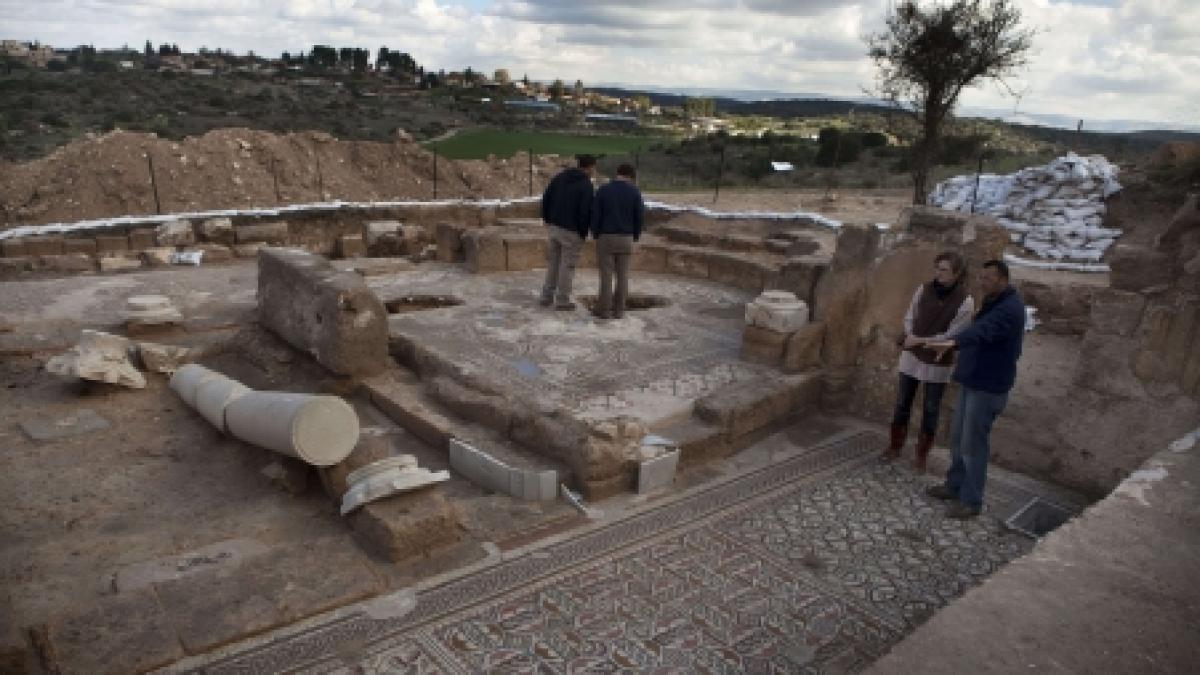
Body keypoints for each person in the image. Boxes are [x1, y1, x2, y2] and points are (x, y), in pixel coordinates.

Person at [922, 259, 1025, 519]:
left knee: (973, 445)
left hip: (988, 386)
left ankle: (971, 501)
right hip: (972, 379)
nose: (982, 283)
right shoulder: (993, 301)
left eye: (988, 278)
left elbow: (982, 331)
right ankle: (954, 485)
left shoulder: (1010, 309)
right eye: (981, 278)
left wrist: (953, 342)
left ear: (1003, 279)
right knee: (958, 439)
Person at [881, 251, 974, 471]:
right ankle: (895, 446)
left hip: (937, 361)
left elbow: (954, 333)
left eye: (944, 270)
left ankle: (921, 454)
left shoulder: (965, 301)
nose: (938, 273)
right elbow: (910, 316)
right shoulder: (923, 289)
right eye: (937, 268)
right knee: (903, 402)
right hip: (912, 355)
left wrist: (920, 340)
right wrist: (910, 335)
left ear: (957, 273)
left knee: (931, 407)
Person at [539, 154, 596, 310]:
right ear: (590, 167)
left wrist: (546, 218)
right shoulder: (586, 185)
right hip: (572, 231)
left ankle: (546, 296)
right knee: (567, 266)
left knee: (553, 263)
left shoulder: (560, 177)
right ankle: (562, 300)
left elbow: (547, 197)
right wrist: (583, 232)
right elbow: (585, 212)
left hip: (554, 227)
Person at [590, 163, 645, 319]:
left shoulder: (604, 190)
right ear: (631, 177)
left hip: (606, 236)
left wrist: (595, 233)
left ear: (617, 173)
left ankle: (604, 310)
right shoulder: (635, 192)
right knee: (623, 276)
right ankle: (619, 310)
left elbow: (595, 214)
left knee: (606, 276)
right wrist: (635, 235)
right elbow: (639, 216)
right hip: (626, 238)